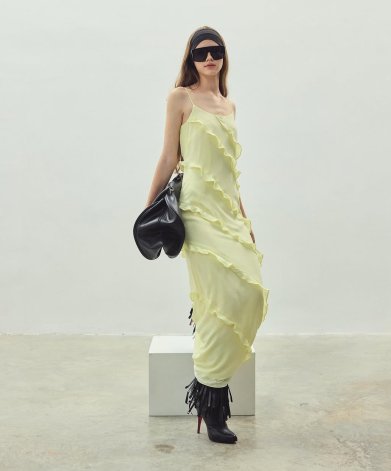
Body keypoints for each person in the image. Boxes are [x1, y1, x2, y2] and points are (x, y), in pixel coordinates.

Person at [144, 26, 269, 444]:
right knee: (220, 298)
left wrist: (245, 219)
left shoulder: (230, 106)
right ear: (192, 59)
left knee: (249, 294)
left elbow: (229, 172)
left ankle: (211, 371)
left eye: (216, 51)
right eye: (201, 53)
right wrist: (148, 207)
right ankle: (212, 405)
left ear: (223, 57)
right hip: (196, 210)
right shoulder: (180, 98)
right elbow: (169, 156)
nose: (209, 58)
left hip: (227, 210)